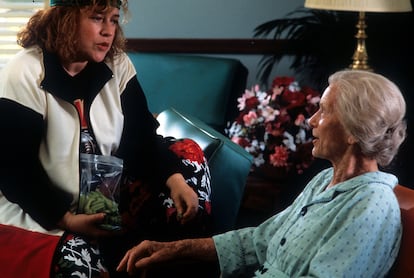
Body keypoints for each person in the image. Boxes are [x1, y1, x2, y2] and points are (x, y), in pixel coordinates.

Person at [116, 69, 407, 277]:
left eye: (324, 111)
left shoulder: (371, 205)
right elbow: (261, 240)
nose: (311, 120)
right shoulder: (324, 181)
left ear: (355, 132)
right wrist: (172, 249)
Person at [0, 0, 212, 277]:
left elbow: (143, 138)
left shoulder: (118, 64)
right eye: (97, 18)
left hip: (106, 198)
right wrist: (67, 219)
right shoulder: (24, 71)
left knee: (189, 160)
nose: (108, 30)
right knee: (81, 265)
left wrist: (175, 181)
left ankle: (168, 261)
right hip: (41, 208)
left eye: (113, 19)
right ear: (64, 19)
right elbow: (14, 171)